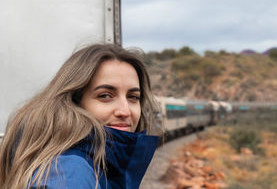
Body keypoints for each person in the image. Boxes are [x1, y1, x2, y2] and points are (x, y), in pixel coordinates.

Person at [0, 44, 160, 189]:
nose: (125, 111)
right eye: (105, 96)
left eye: (133, 97)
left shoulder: (93, 166)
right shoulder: (70, 172)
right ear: (74, 102)